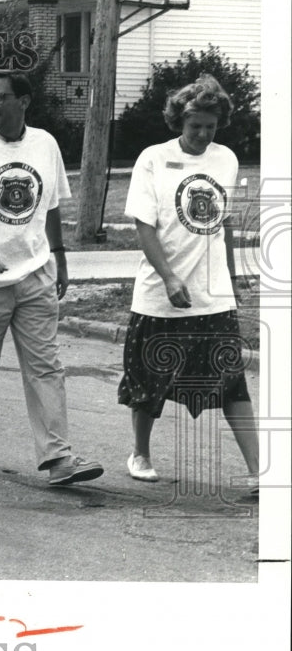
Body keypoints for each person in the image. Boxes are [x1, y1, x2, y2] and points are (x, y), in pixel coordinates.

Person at [0, 71, 103, 486]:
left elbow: (50, 206)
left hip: (34, 275)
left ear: (24, 102)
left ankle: (58, 457)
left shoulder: (44, 144)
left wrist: (60, 257)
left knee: (46, 367)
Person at [117, 74, 259, 493]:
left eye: (210, 127)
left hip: (213, 294)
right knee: (148, 380)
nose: (201, 134)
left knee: (232, 380)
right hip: (160, 295)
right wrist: (169, 276)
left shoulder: (226, 160)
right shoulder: (152, 159)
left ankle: (259, 470)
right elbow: (144, 226)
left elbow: (224, 222)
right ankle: (140, 453)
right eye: (195, 124)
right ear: (180, 119)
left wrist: (231, 277)